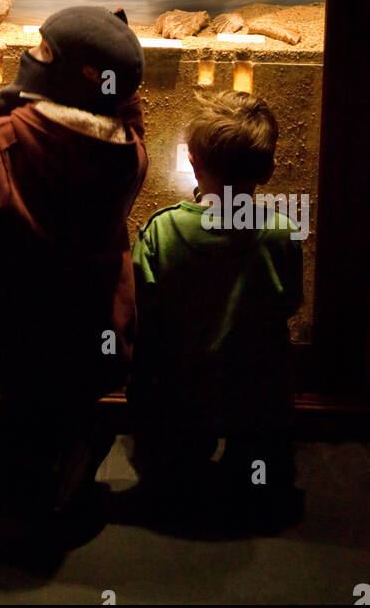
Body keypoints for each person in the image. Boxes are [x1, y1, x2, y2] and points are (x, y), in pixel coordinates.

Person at [0, 6, 148, 516]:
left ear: (74, 75)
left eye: (42, 49)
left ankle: (30, 455)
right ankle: (68, 431)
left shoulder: (1, 144)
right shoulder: (130, 152)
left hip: (15, 341)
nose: (29, 55)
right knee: (65, 379)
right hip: (98, 333)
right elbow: (121, 108)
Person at [128, 90, 303, 524]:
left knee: (174, 454)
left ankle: (179, 466)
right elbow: (289, 302)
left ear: (192, 160)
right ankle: (251, 472)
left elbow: (142, 312)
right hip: (256, 392)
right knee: (259, 460)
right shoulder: (281, 231)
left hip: (180, 389)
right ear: (268, 169)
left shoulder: (162, 229)